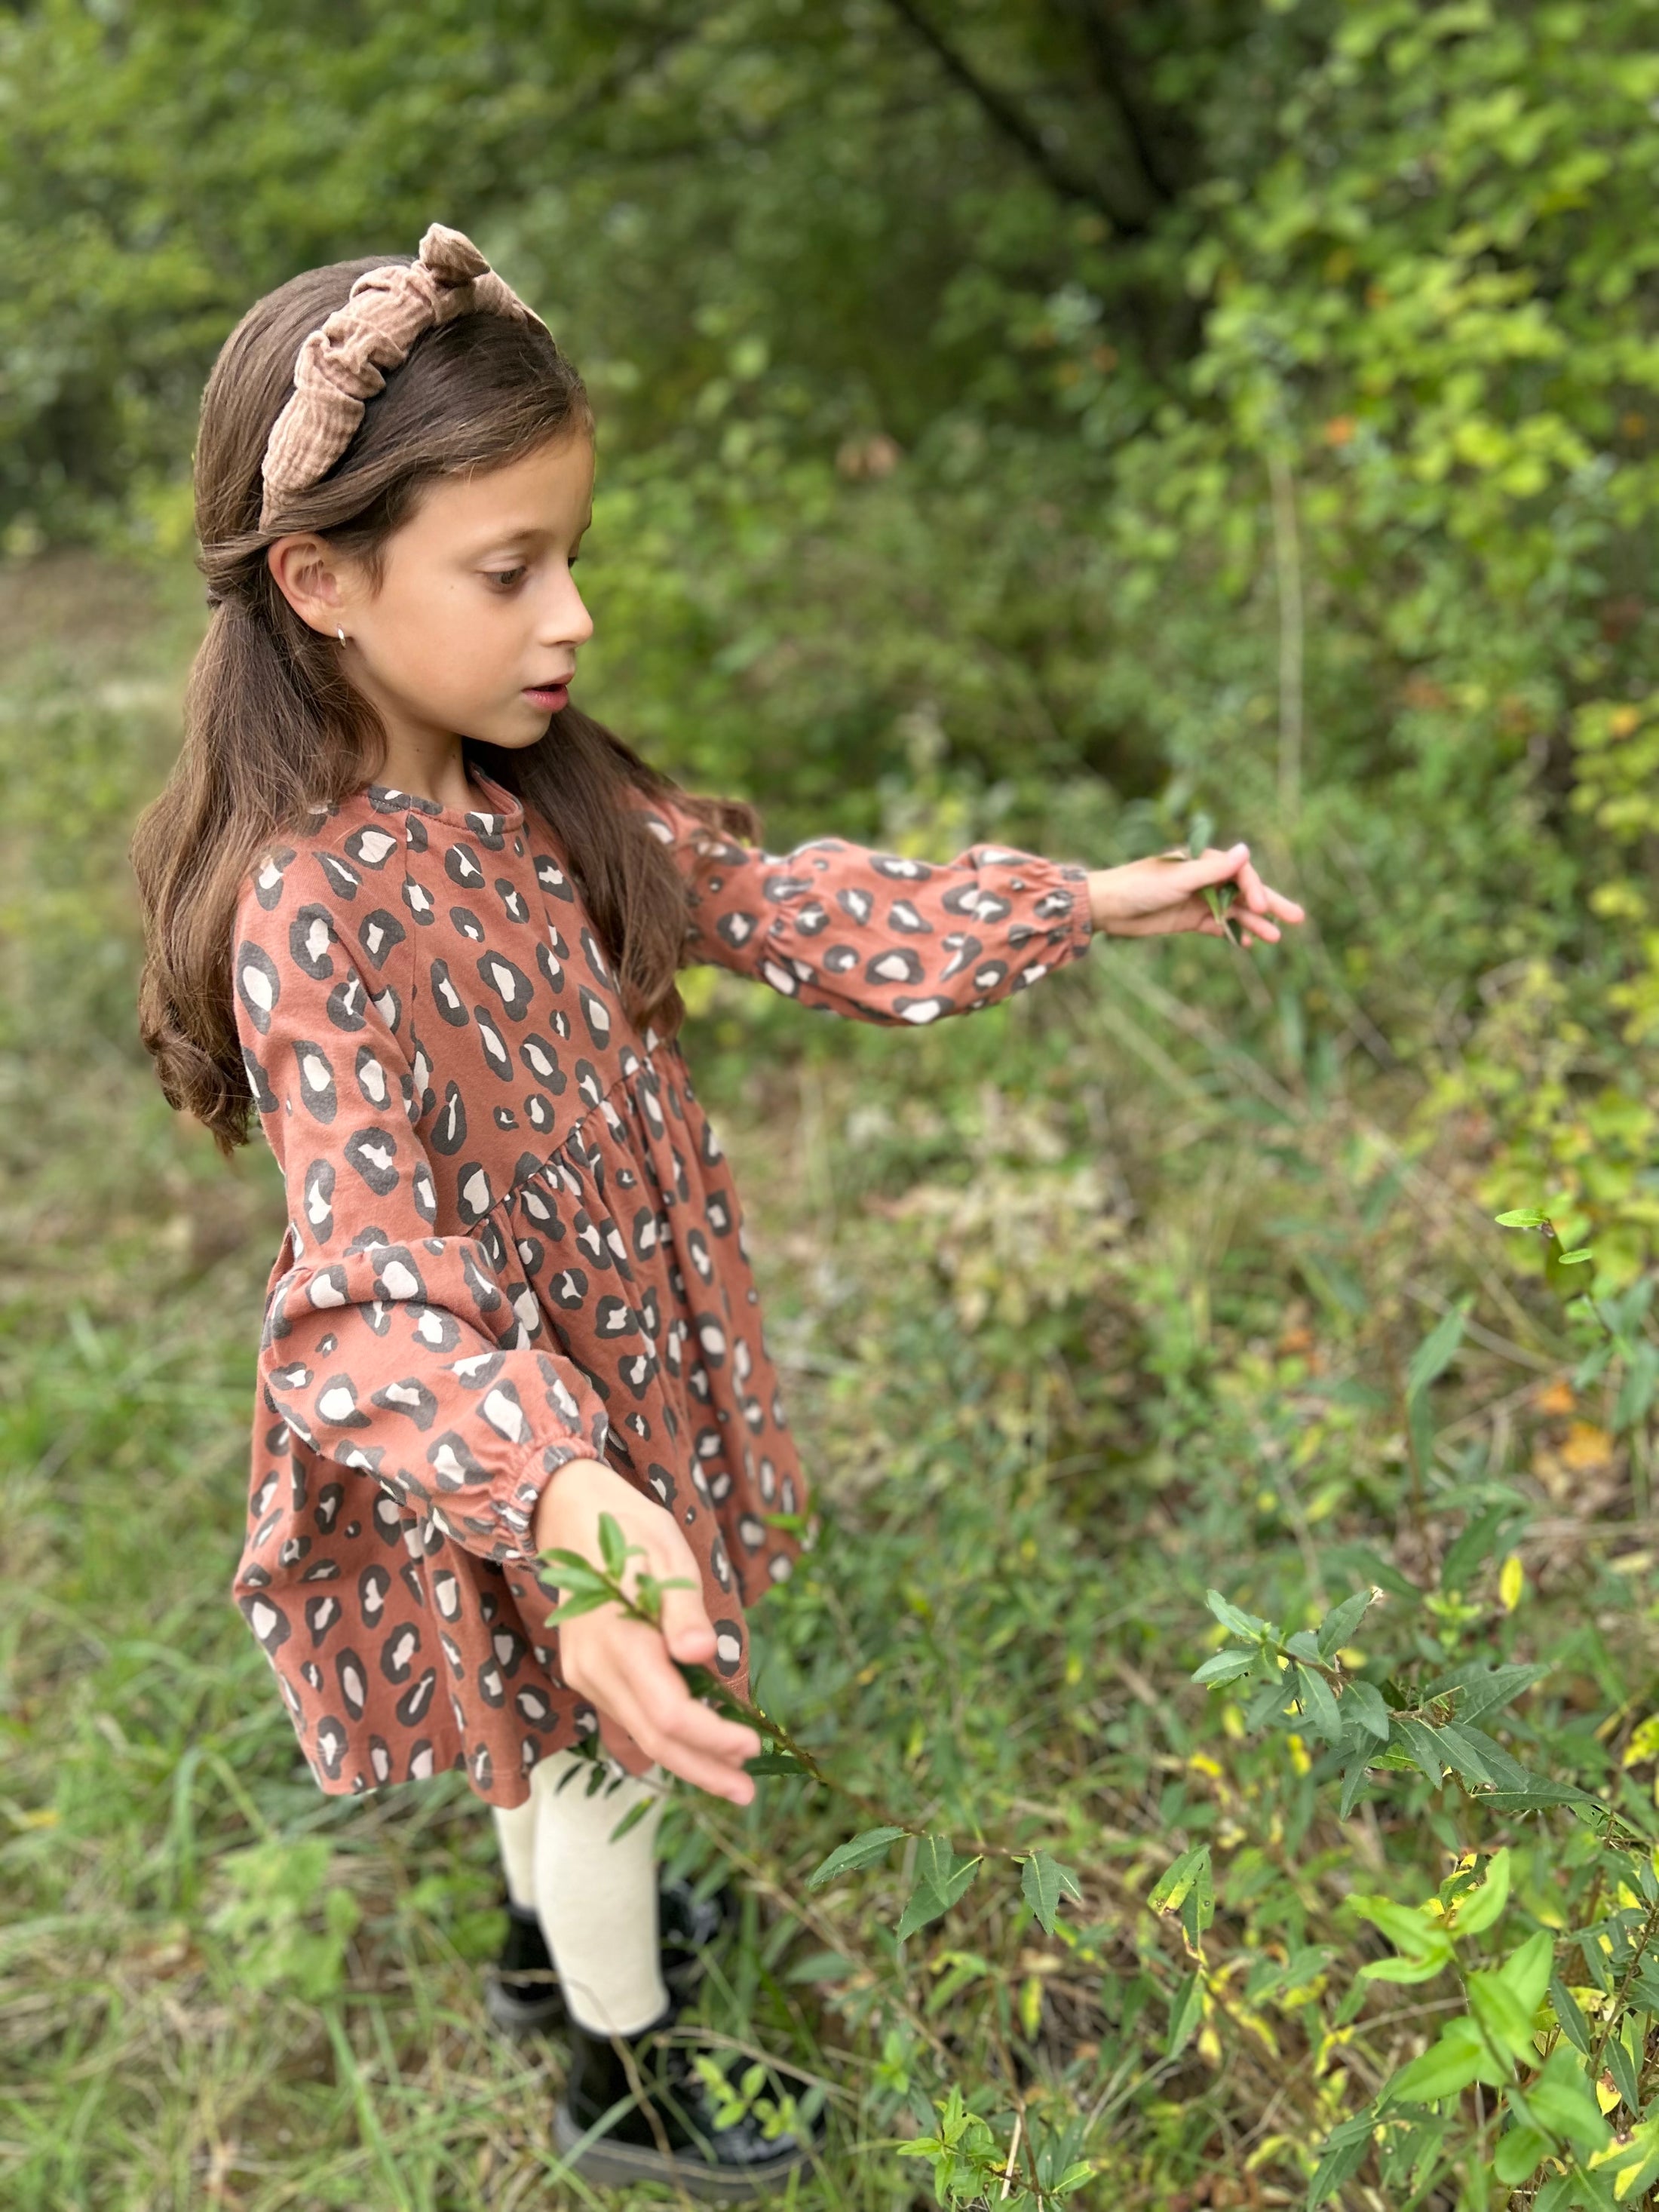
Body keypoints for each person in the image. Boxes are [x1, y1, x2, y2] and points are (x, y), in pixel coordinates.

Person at [131, 223, 1304, 2198]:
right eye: (509, 573)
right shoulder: (309, 907)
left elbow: (788, 904)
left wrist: (1077, 900)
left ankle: (546, 1952)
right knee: (592, 1744)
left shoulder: (533, 795)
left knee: (551, 1734)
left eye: (567, 552)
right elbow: (367, 1288)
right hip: (515, 1431)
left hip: (622, 1370)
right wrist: (564, 1487)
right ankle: (629, 2080)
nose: (569, 614)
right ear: (322, 583)